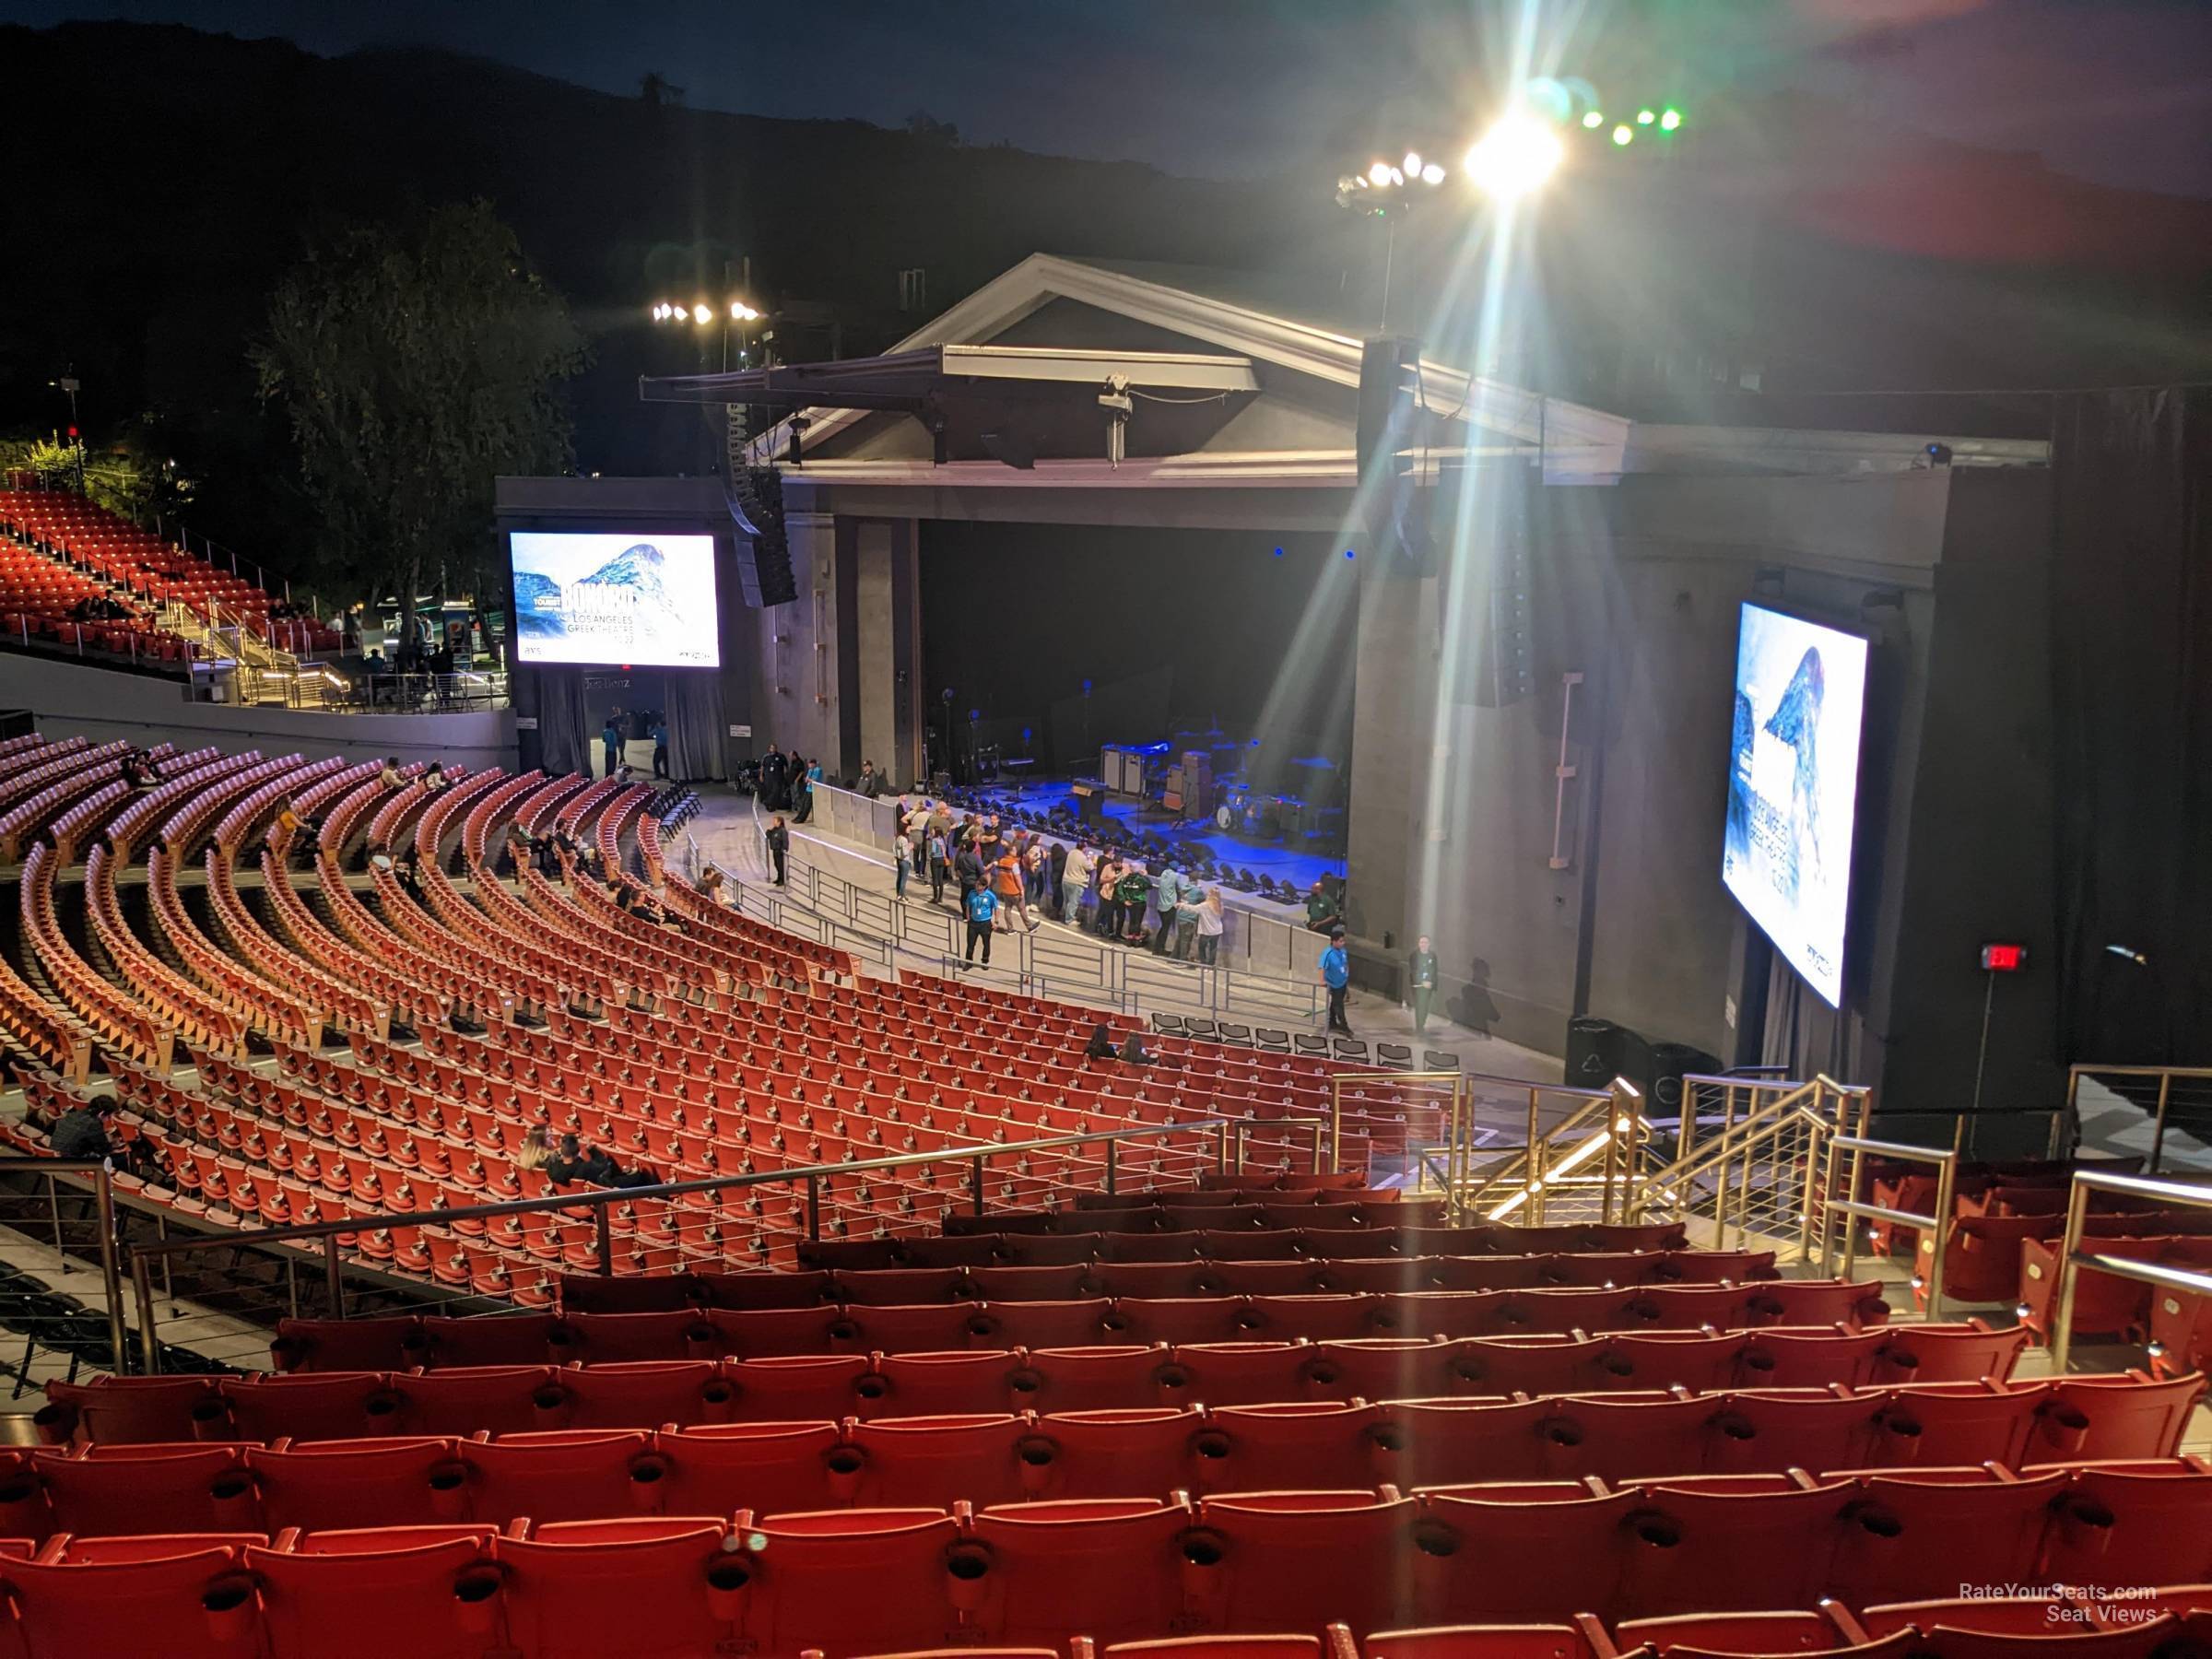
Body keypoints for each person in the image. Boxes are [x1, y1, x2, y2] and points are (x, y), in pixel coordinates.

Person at [49, 1095, 118, 1161]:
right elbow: (104, 1150)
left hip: (55, 1154)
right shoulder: (94, 1123)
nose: (108, 1120)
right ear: (101, 1113)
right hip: (71, 1161)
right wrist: (113, 1144)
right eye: (108, 1117)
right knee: (118, 1158)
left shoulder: (73, 1115)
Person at [1322, 924, 1353, 1034]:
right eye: (1340, 941)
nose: (1342, 943)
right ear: (1333, 942)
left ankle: (1332, 1022)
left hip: (1342, 982)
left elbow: (1345, 964)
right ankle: (1344, 1025)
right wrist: (1323, 980)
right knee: (1338, 1004)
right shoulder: (1328, 953)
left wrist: (1346, 975)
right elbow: (1322, 967)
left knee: (1335, 1003)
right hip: (1333, 983)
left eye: (1343, 941)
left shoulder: (1343, 951)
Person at [1407, 934, 1440, 1036]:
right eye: (1421, 942)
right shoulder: (1414, 955)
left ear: (1429, 944)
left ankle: (1422, 1024)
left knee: (1425, 1006)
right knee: (1419, 1006)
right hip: (1418, 985)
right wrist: (1422, 981)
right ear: (1419, 944)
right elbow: (1414, 970)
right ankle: (1419, 1027)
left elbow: (1434, 970)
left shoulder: (1432, 956)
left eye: (1425, 942)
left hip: (1428, 986)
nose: (1423, 944)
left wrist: (1430, 982)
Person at [992, 846, 1030, 931]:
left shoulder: (1001, 861)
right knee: (1022, 909)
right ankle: (1029, 926)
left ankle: (1010, 928)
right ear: (1011, 852)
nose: (1016, 852)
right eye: (1015, 850)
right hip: (1014, 890)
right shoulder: (1014, 864)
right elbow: (1017, 878)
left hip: (1005, 890)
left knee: (1008, 909)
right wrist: (1021, 889)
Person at [964, 881, 998, 967]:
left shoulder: (990, 896)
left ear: (984, 886)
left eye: (979, 886)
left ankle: (985, 961)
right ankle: (968, 962)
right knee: (970, 944)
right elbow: (968, 905)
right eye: (976, 885)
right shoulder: (972, 894)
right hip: (973, 922)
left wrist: (996, 921)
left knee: (986, 944)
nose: (977, 887)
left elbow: (996, 908)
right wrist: (968, 918)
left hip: (985, 923)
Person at [1150, 865, 1182, 955]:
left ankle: (1157, 948)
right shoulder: (1175, 876)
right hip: (1169, 906)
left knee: (1163, 927)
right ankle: (1159, 949)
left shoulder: (1164, 873)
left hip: (1160, 905)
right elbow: (1180, 888)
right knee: (1165, 928)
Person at [1060, 842, 1092, 929]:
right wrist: (1089, 859)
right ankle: (1069, 920)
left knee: (1067, 901)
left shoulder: (1071, 852)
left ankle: (1068, 916)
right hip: (1076, 882)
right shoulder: (1082, 857)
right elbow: (1089, 867)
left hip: (1066, 879)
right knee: (1073, 902)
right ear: (1084, 848)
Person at [1173, 880, 1203, 960]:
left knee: (1180, 938)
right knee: (1186, 940)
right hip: (1189, 918)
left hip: (1180, 915)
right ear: (1197, 880)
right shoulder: (1198, 891)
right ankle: (1183, 959)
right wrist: (1199, 889)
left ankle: (1174, 957)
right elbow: (1203, 901)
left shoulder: (1184, 887)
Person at [1195, 887, 1224, 966]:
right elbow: (1221, 915)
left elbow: (1193, 909)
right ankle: (1211, 965)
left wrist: (1182, 905)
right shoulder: (1220, 904)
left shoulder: (1205, 905)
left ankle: (1204, 965)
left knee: (1201, 947)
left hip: (1206, 931)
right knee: (1213, 948)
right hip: (1217, 931)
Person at [926, 821, 950, 905]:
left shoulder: (934, 840)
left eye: (933, 830)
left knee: (935, 879)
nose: (932, 831)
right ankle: (940, 897)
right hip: (942, 860)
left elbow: (933, 851)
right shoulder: (942, 840)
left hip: (935, 859)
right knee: (940, 879)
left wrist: (930, 855)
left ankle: (935, 897)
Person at [764, 814, 789, 886]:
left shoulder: (782, 831)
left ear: (779, 822)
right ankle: (779, 878)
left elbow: (785, 841)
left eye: (775, 821)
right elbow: (768, 836)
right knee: (777, 865)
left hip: (780, 851)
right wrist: (769, 830)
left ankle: (783, 880)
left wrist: (784, 849)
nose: (773, 822)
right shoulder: (775, 830)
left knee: (781, 866)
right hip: (775, 850)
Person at [602, 713, 623, 779]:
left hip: (607, 750)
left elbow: (604, 740)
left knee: (608, 765)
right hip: (613, 751)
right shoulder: (613, 732)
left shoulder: (604, 731)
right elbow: (615, 741)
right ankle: (611, 778)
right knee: (612, 765)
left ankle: (607, 777)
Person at [893, 829, 912, 900]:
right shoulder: (904, 839)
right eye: (908, 828)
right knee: (903, 879)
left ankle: (898, 894)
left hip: (899, 860)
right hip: (904, 861)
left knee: (899, 877)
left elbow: (894, 849)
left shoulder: (898, 838)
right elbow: (905, 852)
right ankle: (902, 895)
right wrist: (909, 847)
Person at [651, 716, 670, 780]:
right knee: (666, 762)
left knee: (655, 762)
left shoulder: (658, 730)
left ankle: (658, 775)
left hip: (660, 748)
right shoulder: (668, 729)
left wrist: (649, 728)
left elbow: (649, 734)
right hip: (667, 747)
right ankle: (667, 775)